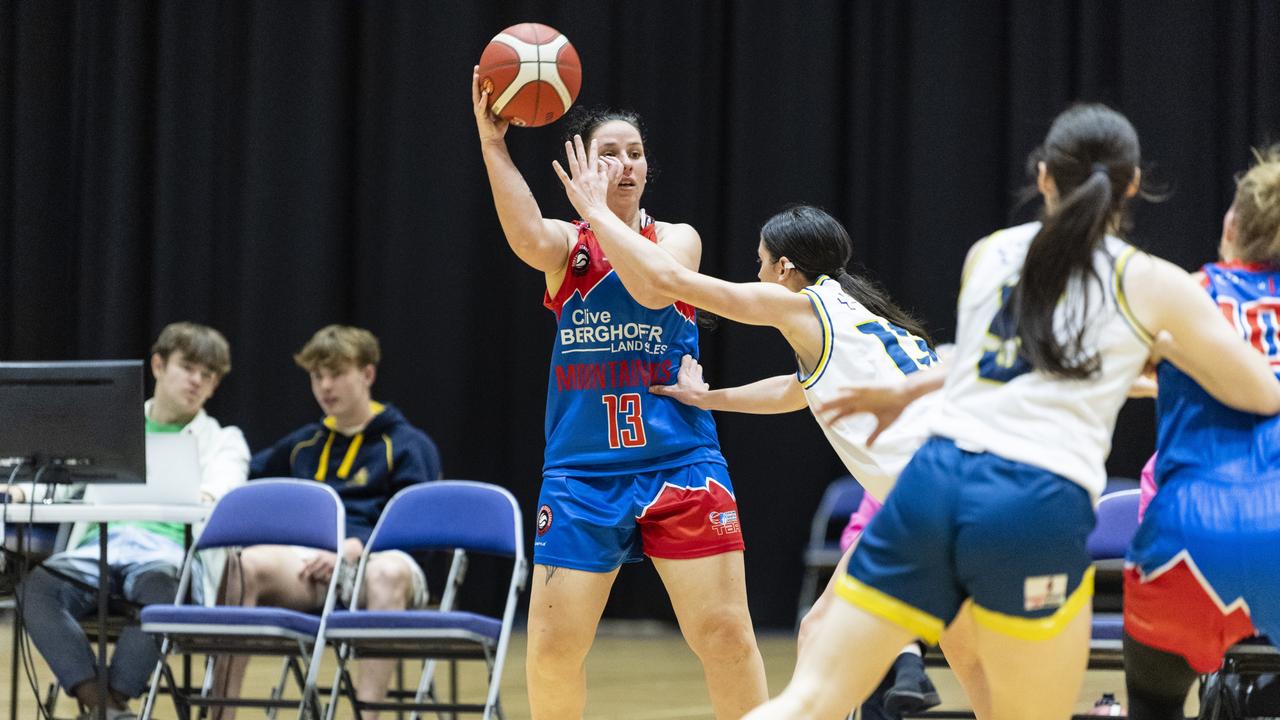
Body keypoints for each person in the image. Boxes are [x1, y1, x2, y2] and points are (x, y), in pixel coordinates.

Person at [733, 103, 1280, 720]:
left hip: (932, 484)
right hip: (1031, 502)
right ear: (1132, 185)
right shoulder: (1151, 282)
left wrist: (896, 393)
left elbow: (992, 365)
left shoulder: (989, 254)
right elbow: (1263, 393)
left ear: (1044, 176)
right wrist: (1164, 361)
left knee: (808, 699)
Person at [472, 69, 768, 720]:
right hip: (582, 475)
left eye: (634, 153)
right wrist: (495, 143)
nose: (625, 162)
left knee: (724, 635)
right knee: (551, 651)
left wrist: (600, 215)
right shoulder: (565, 249)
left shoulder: (677, 239)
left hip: (680, 465)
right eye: (609, 152)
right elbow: (525, 235)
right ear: (580, 164)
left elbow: (653, 290)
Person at [14, 322, 249, 720]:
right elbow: (60, 478)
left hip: (167, 555)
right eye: (188, 366)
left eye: (207, 375)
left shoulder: (223, 440)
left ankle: (110, 700)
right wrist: (21, 491)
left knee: (163, 590)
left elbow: (221, 494)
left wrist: (200, 495)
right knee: (36, 589)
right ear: (158, 365)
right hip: (98, 548)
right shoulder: (108, 429)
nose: (196, 380)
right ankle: (107, 707)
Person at [212, 325, 440, 720]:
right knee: (244, 564)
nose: (325, 386)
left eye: (336, 373)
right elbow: (242, 478)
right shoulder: (304, 442)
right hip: (313, 566)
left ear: (367, 374)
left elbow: (420, 527)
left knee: (385, 574)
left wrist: (358, 548)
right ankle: (220, 713)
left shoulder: (407, 444)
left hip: (381, 563)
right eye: (317, 376)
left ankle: (366, 715)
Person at [1124, 147, 1280, 720]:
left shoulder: (1187, 292)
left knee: (1153, 701)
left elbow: (1109, 371)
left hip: (1194, 531)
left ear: (1231, 224)